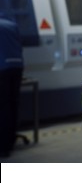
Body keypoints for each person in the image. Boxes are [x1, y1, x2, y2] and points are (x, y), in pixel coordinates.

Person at [0, 15, 24, 157]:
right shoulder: (11, 24)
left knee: (3, 107)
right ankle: (9, 142)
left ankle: (3, 147)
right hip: (16, 67)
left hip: (2, 68)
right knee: (12, 105)